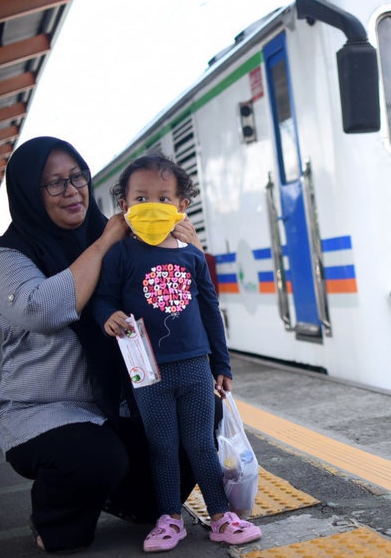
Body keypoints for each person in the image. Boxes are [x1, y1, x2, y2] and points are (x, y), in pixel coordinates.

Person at [0, 136, 211, 554]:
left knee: (197, 418)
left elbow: (176, 306)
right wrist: (104, 243)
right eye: (54, 183)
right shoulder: (8, 256)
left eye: (77, 178)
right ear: (27, 193)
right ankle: (53, 513)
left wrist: (187, 252)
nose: (71, 191)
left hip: (127, 402)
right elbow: (43, 311)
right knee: (93, 465)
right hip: (47, 410)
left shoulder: (131, 240)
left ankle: (125, 494)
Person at [94, 152, 261, 552]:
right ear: (123, 207)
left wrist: (221, 364)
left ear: (182, 207)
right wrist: (108, 316)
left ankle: (220, 515)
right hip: (147, 372)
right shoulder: (120, 255)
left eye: (164, 199)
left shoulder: (191, 257)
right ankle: (169, 517)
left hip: (195, 368)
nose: (153, 206)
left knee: (201, 444)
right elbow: (102, 300)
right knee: (163, 446)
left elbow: (209, 310)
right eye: (141, 198)